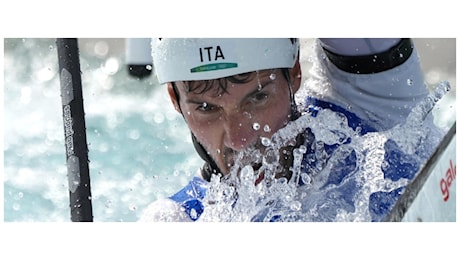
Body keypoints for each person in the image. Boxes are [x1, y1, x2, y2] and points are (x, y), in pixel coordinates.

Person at [139, 38, 441, 222]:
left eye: (258, 97)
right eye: (206, 108)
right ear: (174, 100)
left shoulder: (372, 103)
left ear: (295, 73)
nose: (240, 139)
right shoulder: (179, 221)